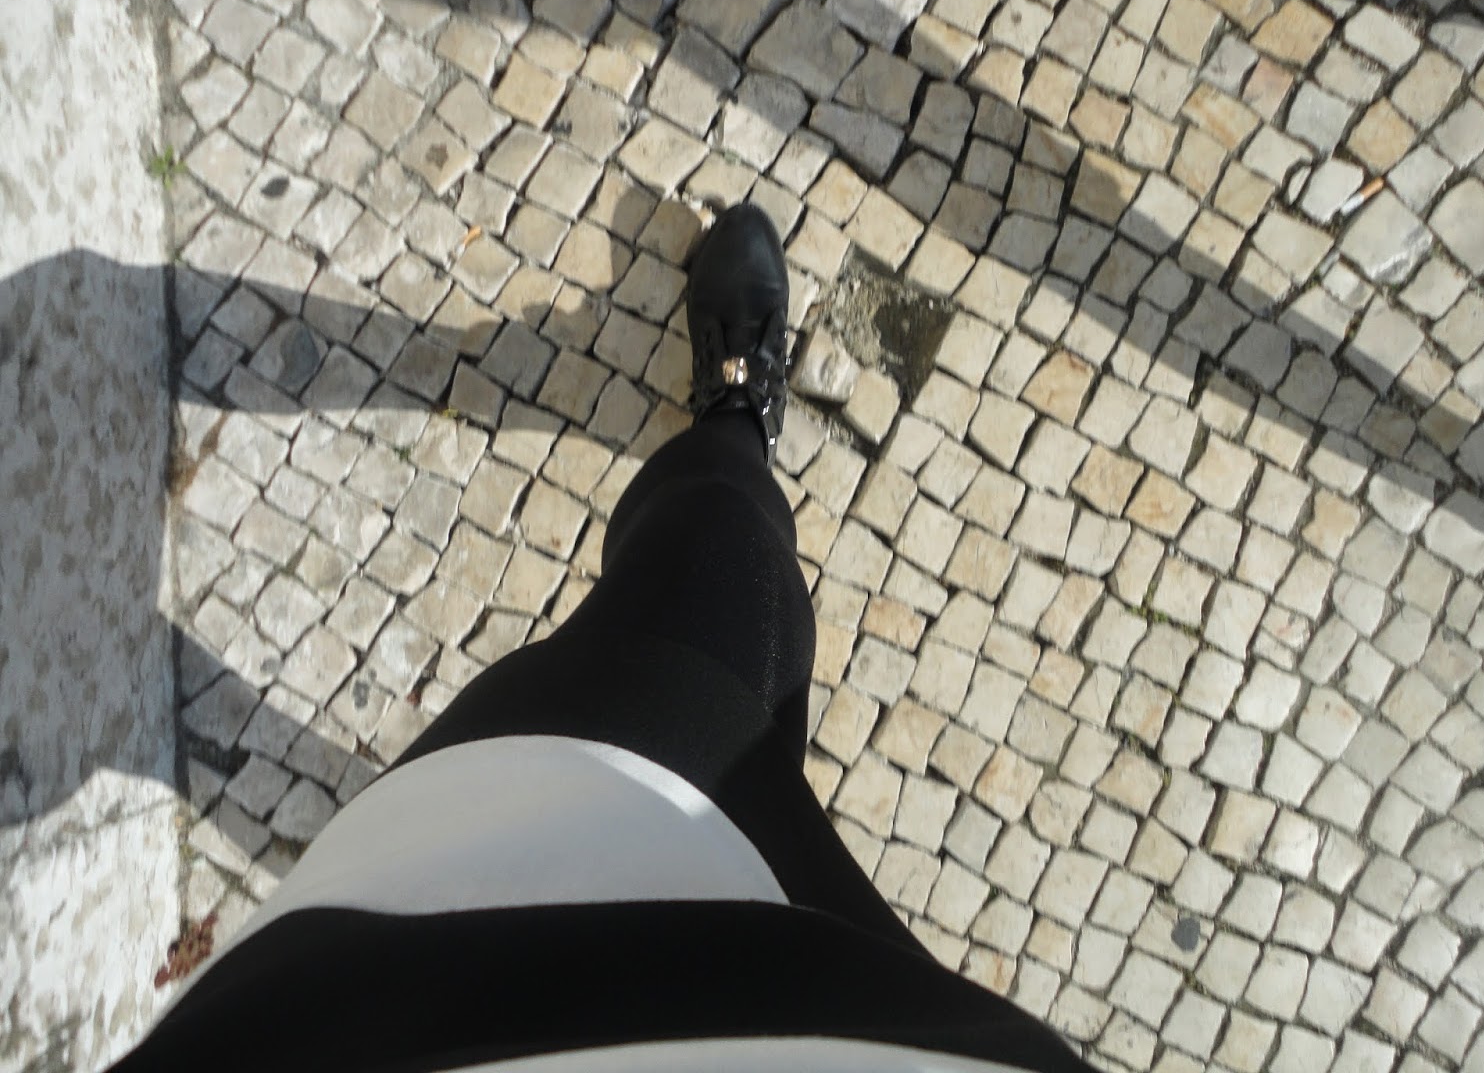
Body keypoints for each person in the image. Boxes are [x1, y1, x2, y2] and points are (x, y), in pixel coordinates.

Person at [107, 205, 1094, 1072]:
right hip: (822, 1002)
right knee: (726, 566)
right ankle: (736, 426)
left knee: (706, 576)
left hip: (364, 1003)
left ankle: (731, 436)